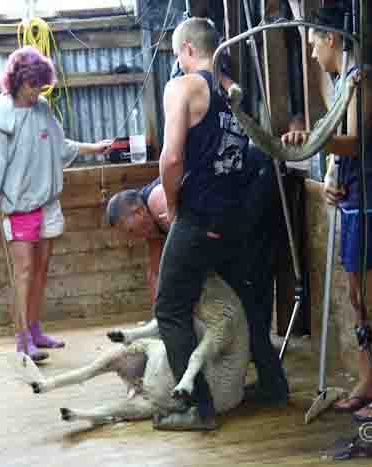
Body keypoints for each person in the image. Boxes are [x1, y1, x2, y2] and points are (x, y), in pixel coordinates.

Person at [138, 17, 286, 431]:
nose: (176, 61)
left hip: (198, 216)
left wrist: (171, 205)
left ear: (187, 50)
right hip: (234, 219)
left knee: (170, 308)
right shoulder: (231, 97)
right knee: (247, 300)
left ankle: (196, 407)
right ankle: (274, 385)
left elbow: (170, 159)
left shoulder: (183, 87)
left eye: (175, 54)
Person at [281, 4, 372, 422]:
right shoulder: (342, 82)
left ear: (332, 40)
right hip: (357, 197)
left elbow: (355, 141)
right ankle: (367, 379)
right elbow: (344, 151)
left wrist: (313, 139)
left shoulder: (364, 79)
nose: (311, 54)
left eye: (313, 44)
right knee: (357, 297)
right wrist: (332, 181)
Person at [105, 144, 288, 406]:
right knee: (234, 300)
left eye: (129, 230)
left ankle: (274, 388)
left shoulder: (160, 204)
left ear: (138, 212)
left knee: (246, 301)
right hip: (225, 209)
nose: (132, 239)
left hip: (255, 177)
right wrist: (160, 320)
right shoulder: (151, 219)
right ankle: (270, 382)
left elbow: (194, 251)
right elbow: (159, 274)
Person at [0, 46, 110, 362]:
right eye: (32, 85)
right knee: (23, 270)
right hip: (19, 204)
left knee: (40, 269)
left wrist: (94, 148)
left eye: (40, 85)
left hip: (47, 200)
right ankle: (21, 338)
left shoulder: (42, 108)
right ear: (17, 82)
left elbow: (60, 146)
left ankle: (35, 329)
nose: (37, 92)